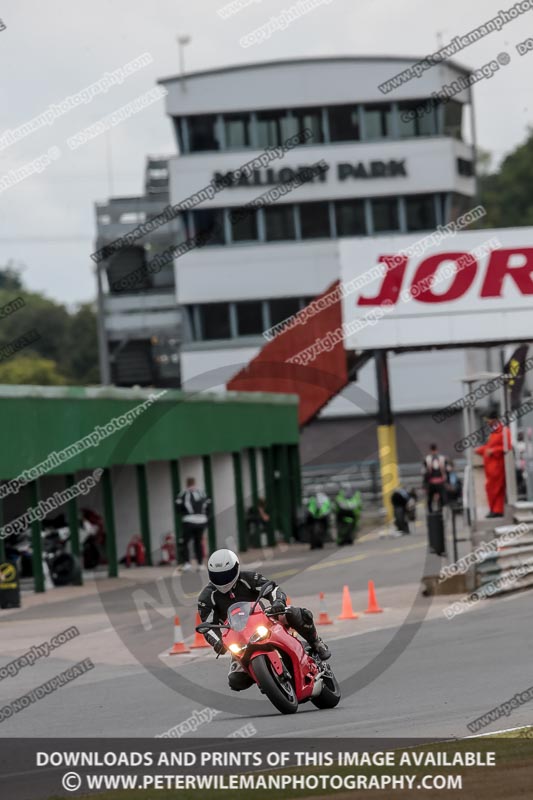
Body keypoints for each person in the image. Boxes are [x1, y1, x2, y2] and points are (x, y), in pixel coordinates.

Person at [198, 549, 331, 692]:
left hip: (264, 619)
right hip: (238, 637)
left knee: (293, 613)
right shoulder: (206, 597)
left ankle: (316, 642)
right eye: (218, 576)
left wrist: (278, 602)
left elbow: (272, 588)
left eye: (227, 574)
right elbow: (208, 626)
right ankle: (266, 680)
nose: (223, 580)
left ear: (236, 568)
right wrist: (218, 642)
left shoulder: (248, 578)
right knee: (236, 681)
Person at [475, 411, 512, 518]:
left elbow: (507, 447)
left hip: (498, 466)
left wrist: (494, 451)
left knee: (495, 488)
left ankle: (496, 510)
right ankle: (496, 510)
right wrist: (479, 450)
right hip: (491, 467)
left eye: (489, 420)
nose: (487, 422)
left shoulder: (504, 431)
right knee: (493, 488)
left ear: (494, 420)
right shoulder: (494, 432)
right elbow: (488, 447)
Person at [176, 477, 211, 571]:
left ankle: (187, 563)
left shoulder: (183, 493)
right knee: (198, 542)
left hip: (189, 520)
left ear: (187, 484)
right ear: (194, 483)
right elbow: (208, 505)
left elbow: (178, 507)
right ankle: (200, 564)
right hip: (201, 520)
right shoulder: (201, 492)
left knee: (185, 542)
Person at [422, 444, 448, 512]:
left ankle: (433, 512)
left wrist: (425, 484)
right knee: (442, 498)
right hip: (438, 482)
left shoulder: (427, 459)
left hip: (433, 482)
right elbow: (446, 470)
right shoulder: (442, 458)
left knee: (431, 499)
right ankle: (440, 510)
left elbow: (424, 472)